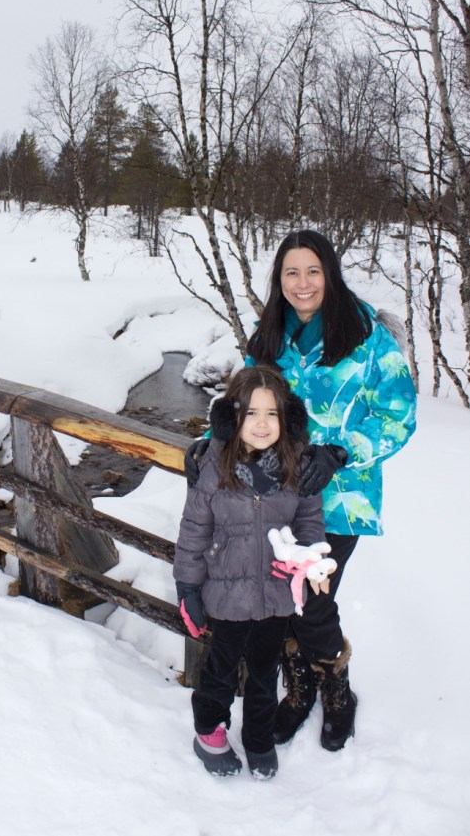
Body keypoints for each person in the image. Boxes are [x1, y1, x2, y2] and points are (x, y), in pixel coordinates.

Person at [185, 229, 417, 752]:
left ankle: (336, 689)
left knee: (312, 600)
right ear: (279, 279)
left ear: (329, 273)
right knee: (278, 597)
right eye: (291, 272)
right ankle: (300, 686)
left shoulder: (367, 336)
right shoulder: (267, 334)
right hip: (271, 490)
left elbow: (400, 415)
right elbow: (240, 405)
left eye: (313, 270)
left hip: (341, 496)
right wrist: (208, 440)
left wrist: (340, 451)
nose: (302, 283)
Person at [174, 365, 330, 779]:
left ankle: (258, 737)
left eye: (272, 414)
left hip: (277, 594)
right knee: (221, 672)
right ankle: (209, 730)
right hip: (226, 596)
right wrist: (187, 585)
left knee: (264, 673)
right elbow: (194, 529)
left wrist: (310, 557)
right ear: (232, 418)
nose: (262, 424)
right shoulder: (212, 465)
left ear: (287, 418)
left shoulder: (298, 466)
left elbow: (310, 521)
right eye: (250, 413)